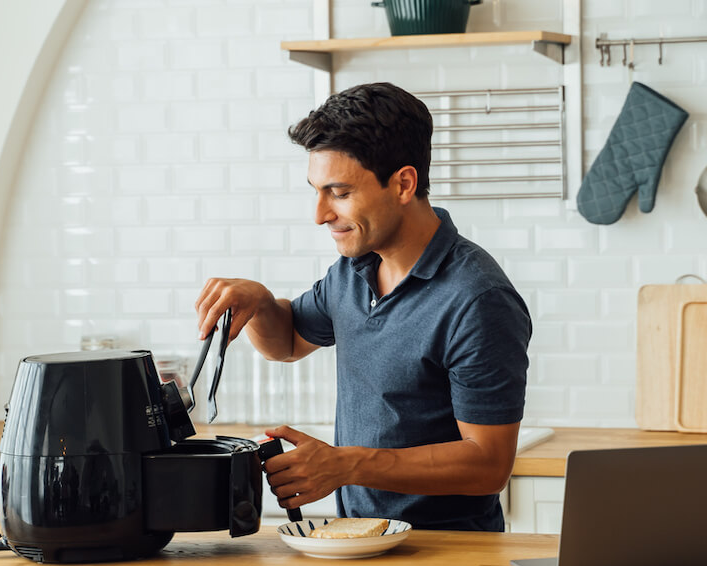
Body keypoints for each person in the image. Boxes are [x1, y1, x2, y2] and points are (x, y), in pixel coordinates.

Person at [194, 82, 531, 531]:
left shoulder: (477, 299)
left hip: (447, 554)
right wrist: (259, 304)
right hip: (360, 543)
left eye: (339, 192)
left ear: (403, 184)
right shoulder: (352, 270)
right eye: (316, 190)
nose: (320, 214)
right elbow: (288, 343)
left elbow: (488, 465)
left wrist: (347, 465)